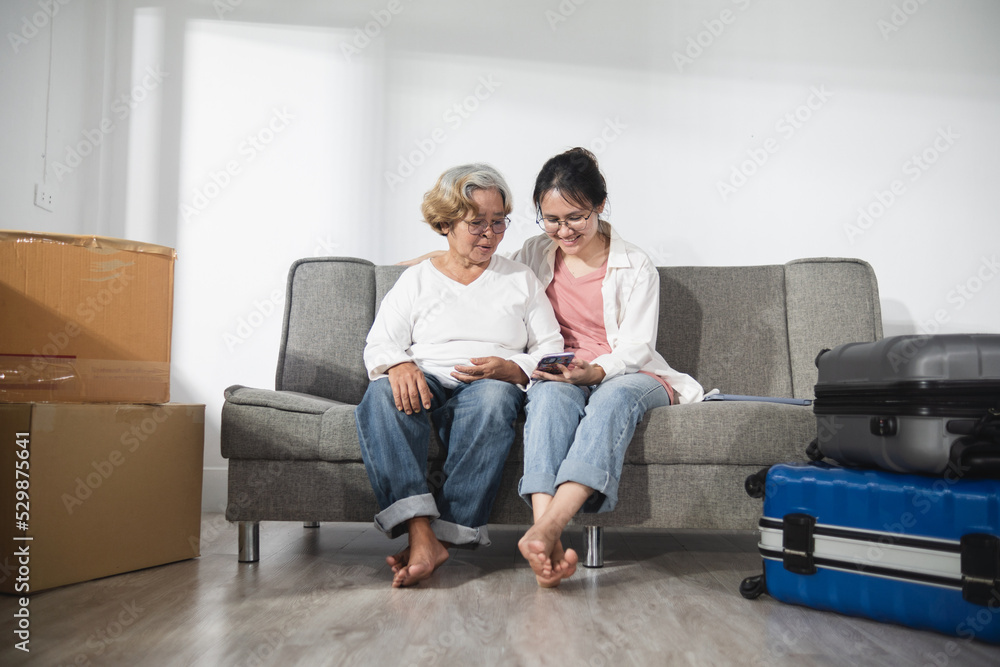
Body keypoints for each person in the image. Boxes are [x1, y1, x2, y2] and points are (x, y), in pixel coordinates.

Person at [355, 163, 563, 588]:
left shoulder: (520, 279)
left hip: (489, 381)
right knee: (380, 396)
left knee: (493, 399)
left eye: (498, 222)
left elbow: (551, 349)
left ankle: (448, 533)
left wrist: (515, 368)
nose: (490, 234)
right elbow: (379, 344)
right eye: (476, 224)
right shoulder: (416, 280)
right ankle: (420, 534)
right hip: (425, 375)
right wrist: (399, 364)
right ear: (446, 223)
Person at [512, 147, 705, 587]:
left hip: (630, 372)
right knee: (547, 399)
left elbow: (637, 347)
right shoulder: (534, 252)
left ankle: (548, 529)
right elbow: (495, 281)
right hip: (563, 368)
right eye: (552, 219)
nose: (564, 230)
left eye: (576, 216)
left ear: (600, 205)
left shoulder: (634, 264)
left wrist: (596, 372)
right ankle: (547, 538)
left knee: (613, 399)